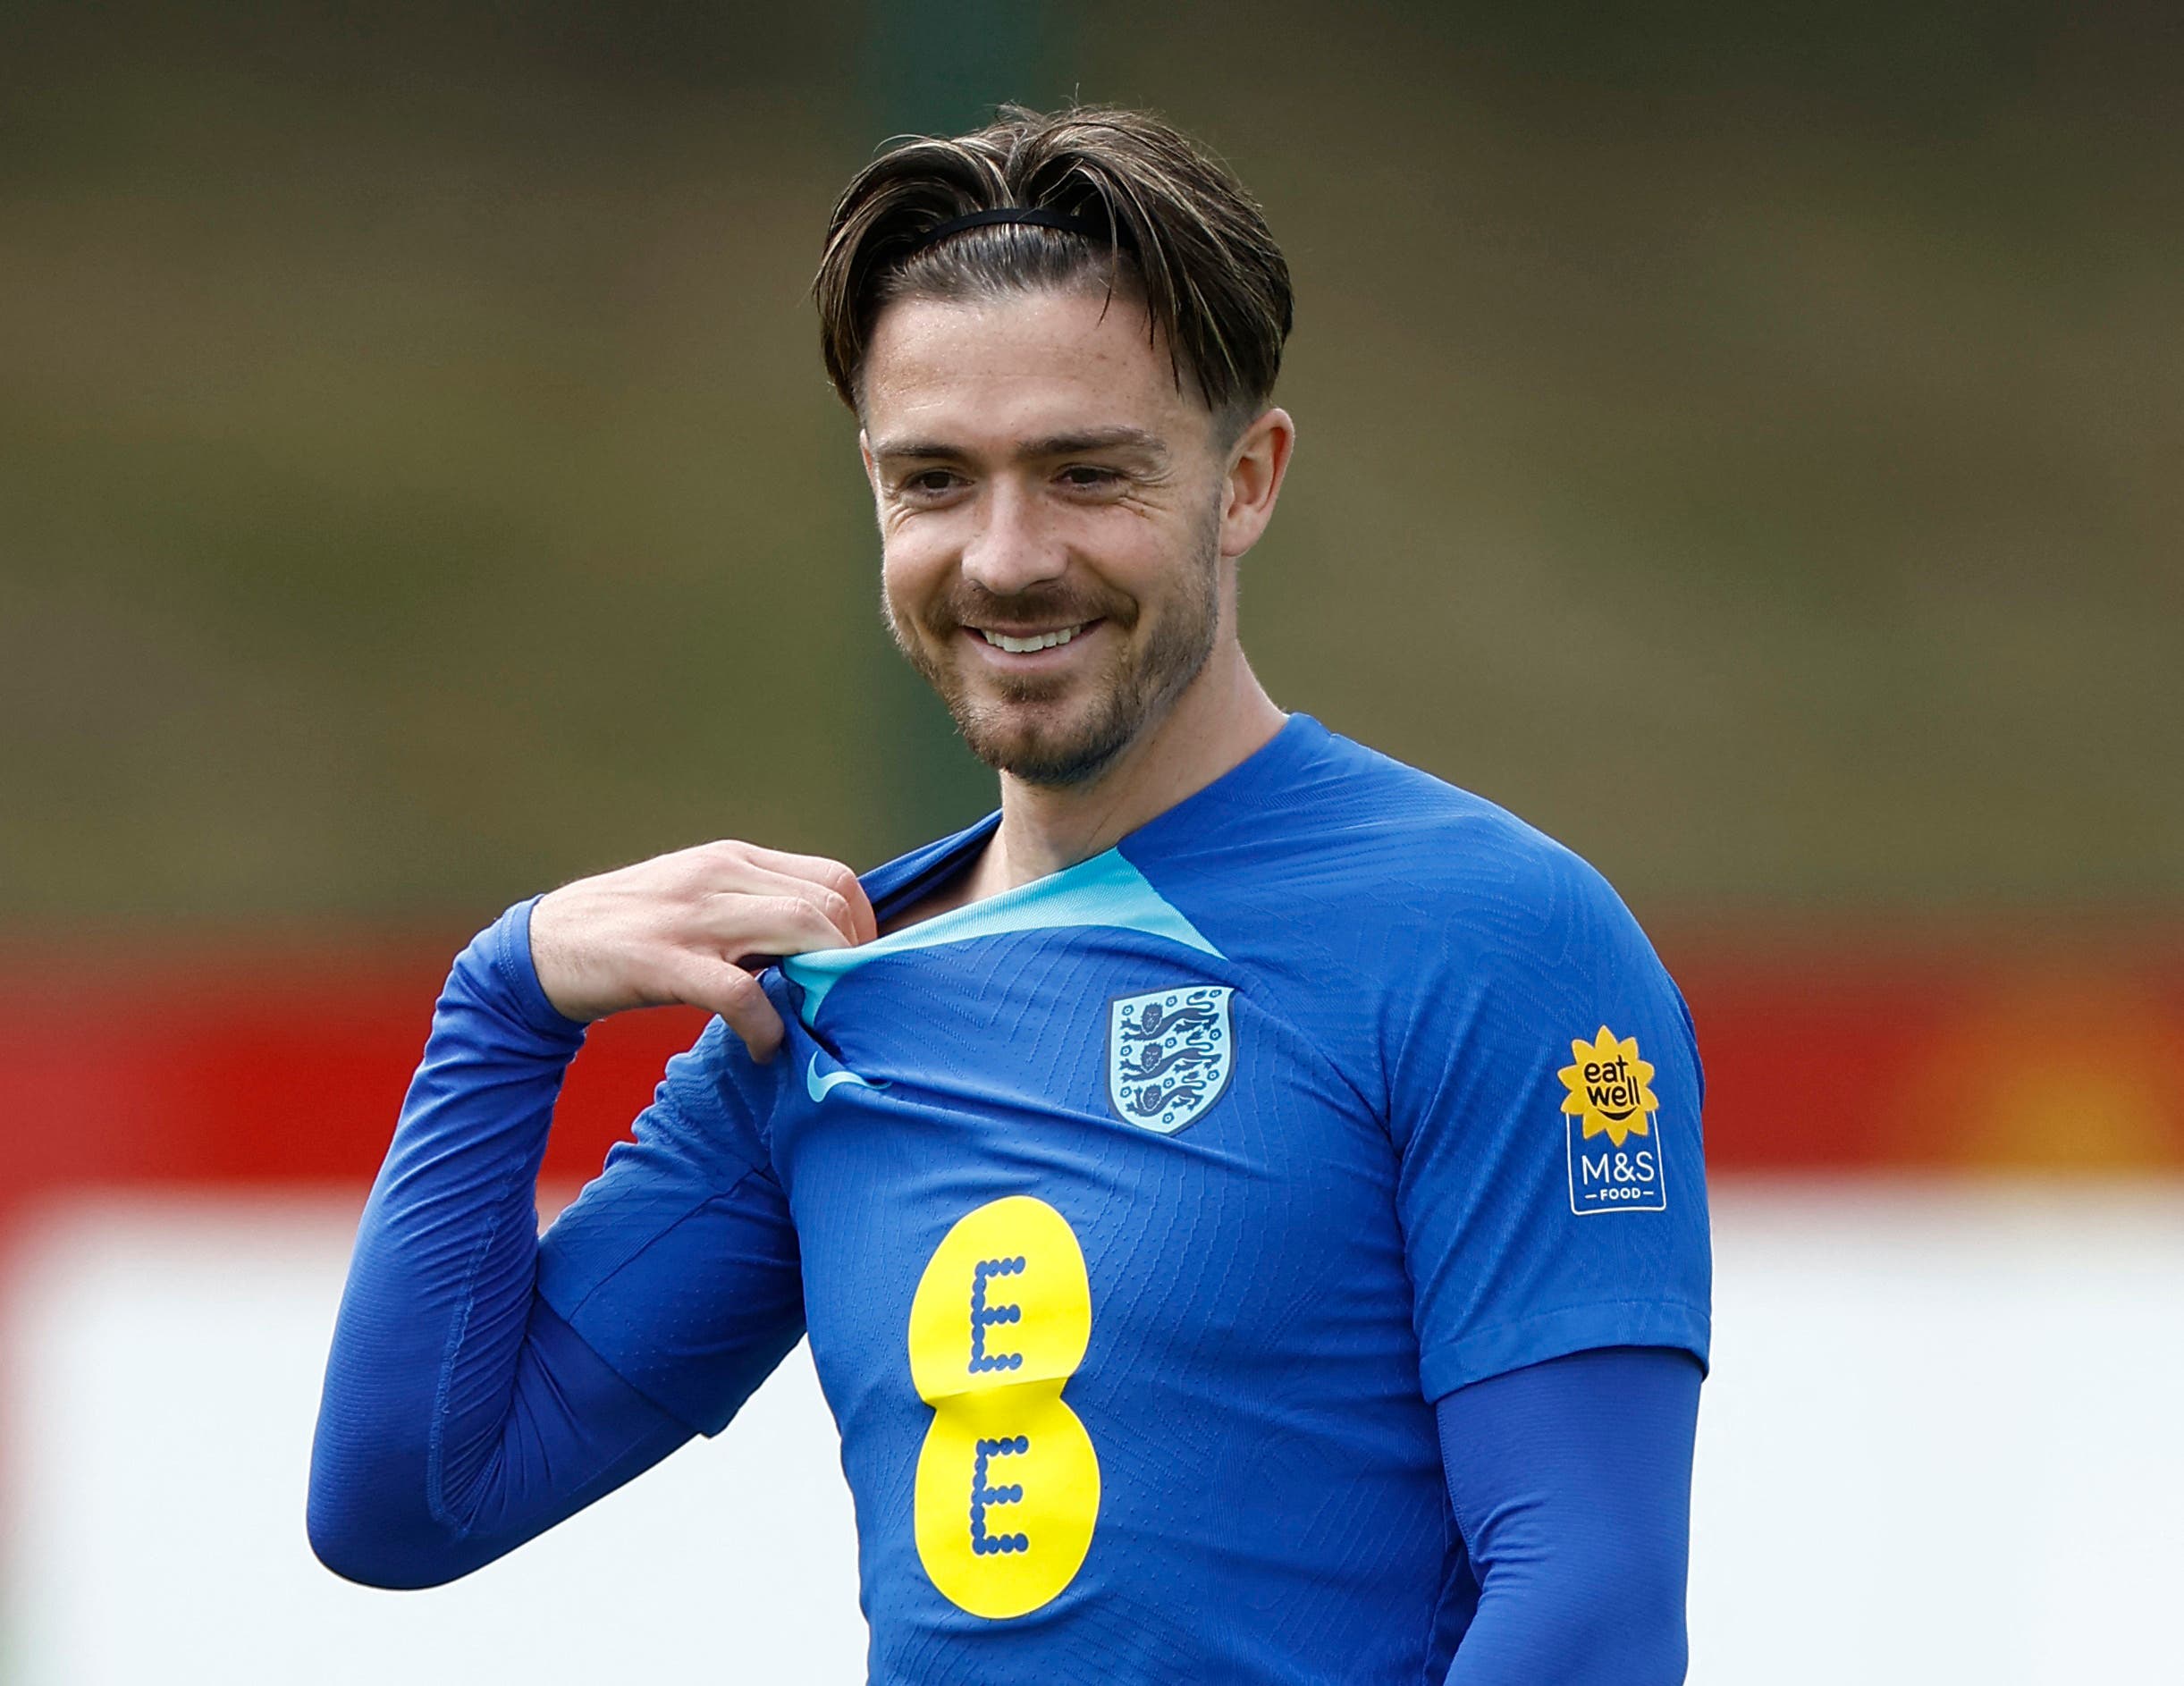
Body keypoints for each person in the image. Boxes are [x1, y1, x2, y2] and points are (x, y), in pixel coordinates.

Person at [308, 105, 1710, 1683]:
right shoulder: (828, 1004)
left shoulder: (1496, 940)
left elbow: (1586, 1610)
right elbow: (410, 1499)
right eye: (934, 481)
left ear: (1246, 481)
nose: (1006, 556)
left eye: (1085, 471)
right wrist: (506, 1003)